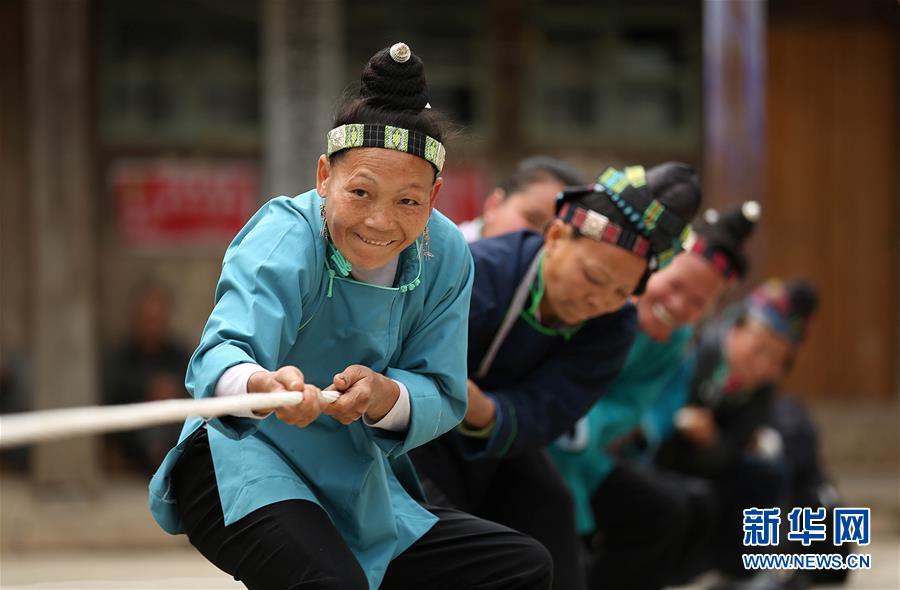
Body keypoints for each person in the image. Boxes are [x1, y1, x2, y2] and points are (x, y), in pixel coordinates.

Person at [148, 43, 552, 590]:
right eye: (360, 192)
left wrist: (385, 396)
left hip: (354, 474)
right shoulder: (286, 233)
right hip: (239, 458)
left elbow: (442, 389)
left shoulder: (447, 253)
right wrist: (262, 384)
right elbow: (223, 351)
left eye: (408, 201)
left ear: (434, 196)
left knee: (519, 567)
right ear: (324, 177)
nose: (380, 221)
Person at [412, 162, 701, 590]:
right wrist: (452, 397)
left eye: (620, 293)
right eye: (593, 277)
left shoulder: (615, 323)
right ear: (556, 236)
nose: (598, 300)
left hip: (499, 435)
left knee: (550, 507)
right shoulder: (482, 270)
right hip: (418, 428)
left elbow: (555, 406)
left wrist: (486, 409)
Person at [549, 200, 760, 590]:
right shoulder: (601, 297)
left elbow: (641, 403)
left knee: (667, 511)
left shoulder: (677, 339)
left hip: (593, 448)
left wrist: (629, 428)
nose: (678, 306)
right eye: (675, 286)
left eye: (697, 303)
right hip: (541, 432)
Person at [655, 278, 820, 580]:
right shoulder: (694, 351)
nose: (763, 365)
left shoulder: (760, 391)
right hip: (660, 456)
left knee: (770, 473)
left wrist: (711, 441)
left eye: (777, 361)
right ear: (736, 329)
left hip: (707, 461)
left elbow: (733, 447)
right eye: (759, 350)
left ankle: (743, 573)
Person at [104, 280, 190, 475]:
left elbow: (193, 388)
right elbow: (113, 394)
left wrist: (171, 391)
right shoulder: (122, 357)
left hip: (172, 425)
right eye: (147, 320)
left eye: (157, 320)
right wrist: (148, 390)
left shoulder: (178, 354)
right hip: (136, 430)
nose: (152, 327)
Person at [458, 156, 585, 242]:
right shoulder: (450, 254)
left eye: (556, 234)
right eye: (532, 219)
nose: (538, 239)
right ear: (494, 204)